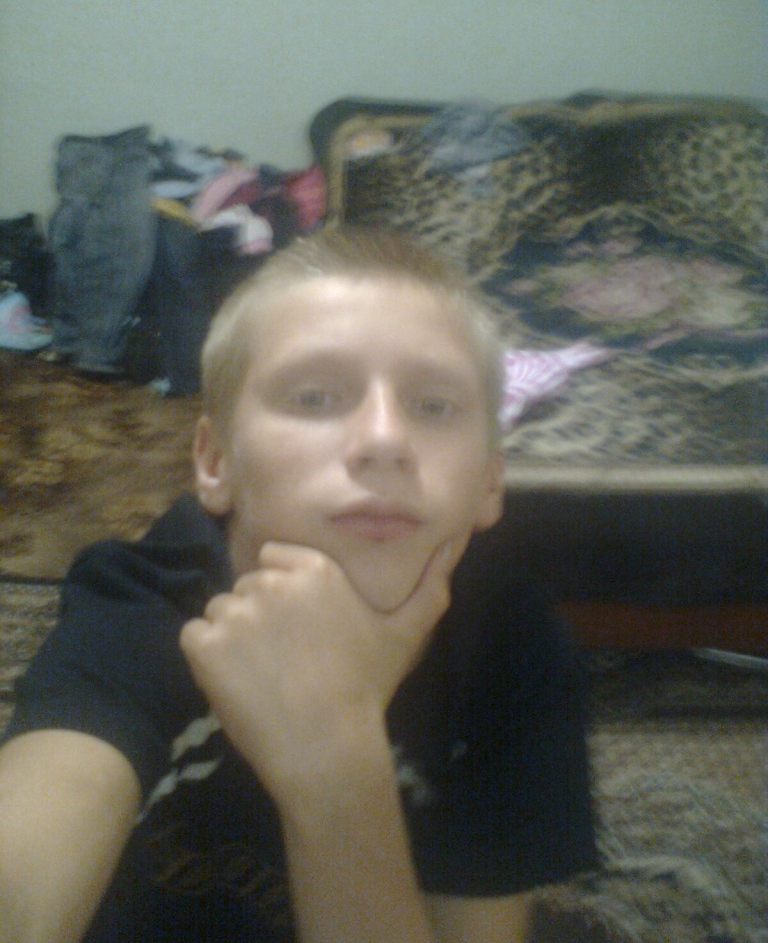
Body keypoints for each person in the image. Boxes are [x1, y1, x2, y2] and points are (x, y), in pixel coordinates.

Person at [0, 227, 596, 943]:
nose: (385, 439)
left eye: (434, 406)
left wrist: (335, 763)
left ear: (491, 481)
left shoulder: (516, 645)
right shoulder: (140, 609)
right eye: (314, 397)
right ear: (215, 460)